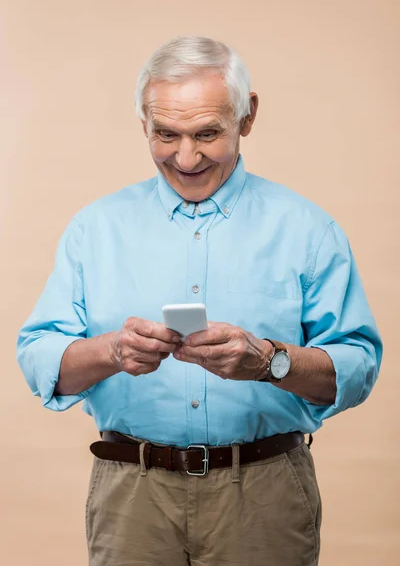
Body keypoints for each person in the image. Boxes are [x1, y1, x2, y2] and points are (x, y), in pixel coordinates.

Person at [16, 35, 382, 566]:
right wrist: (111, 352)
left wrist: (269, 362)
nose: (186, 157)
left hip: (265, 497)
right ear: (143, 122)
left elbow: (357, 368)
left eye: (207, 133)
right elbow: (39, 361)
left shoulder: (308, 230)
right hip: (132, 497)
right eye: (166, 134)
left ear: (247, 116)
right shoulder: (94, 230)